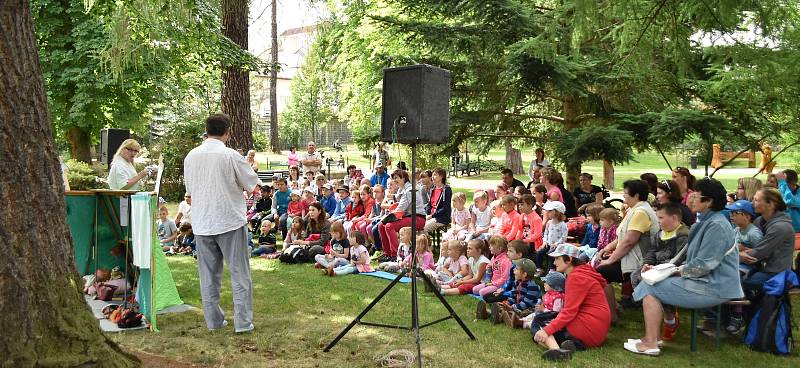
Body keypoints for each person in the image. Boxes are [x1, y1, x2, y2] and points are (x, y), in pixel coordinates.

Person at [626, 178, 744, 356]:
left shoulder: (717, 226)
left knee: (649, 287)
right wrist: (660, 269)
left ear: (709, 201)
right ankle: (653, 338)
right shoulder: (706, 221)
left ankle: (651, 342)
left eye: (696, 196)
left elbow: (703, 265)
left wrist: (672, 272)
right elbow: (683, 258)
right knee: (649, 281)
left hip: (714, 286)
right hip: (704, 281)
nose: (690, 199)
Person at [183, 113, 261, 333]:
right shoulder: (230, 156)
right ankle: (243, 322)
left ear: (206, 130)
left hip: (202, 221)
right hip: (228, 219)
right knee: (239, 273)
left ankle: (214, 321)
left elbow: (189, 189)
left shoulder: (191, 156)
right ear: (227, 132)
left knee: (208, 275)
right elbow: (251, 184)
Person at [533, 244, 611, 361]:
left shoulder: (576, 277)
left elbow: (569, 312)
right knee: (545, 319)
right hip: (596, 329)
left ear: (569, 259)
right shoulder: (584, 271)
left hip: (587, 329)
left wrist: (546, 331)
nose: (554, 263)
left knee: (538, 323)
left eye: (557, 258)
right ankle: (573, 344)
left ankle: (557, 350)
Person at [597, 180, 659, 324]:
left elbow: (629, 241)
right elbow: (622, 237)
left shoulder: (641, 213)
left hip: (640, 263)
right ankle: (613, 308)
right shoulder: (636, 209)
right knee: (599, 270)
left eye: (625, 193)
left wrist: (611, 259)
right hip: (631, 258)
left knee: (601, 272)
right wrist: (607, 249)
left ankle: (612, 315)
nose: (623, 196)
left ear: (636, 195)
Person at [740, 187, 795, 293]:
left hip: (776, 274)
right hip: (760, 268)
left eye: (756, 200)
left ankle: (744, 309)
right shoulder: (759, 221)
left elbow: (757, 254)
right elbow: (753, 247)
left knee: (738, 281)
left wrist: (734, 255)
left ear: (771, 204)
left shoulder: (780, 227)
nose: (752, 203)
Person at [725, 199, 762, 333]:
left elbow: (761, 254)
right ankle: (724, 314)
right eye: (732, 213)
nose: (732, 216)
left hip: (748, 268)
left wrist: (744, 249)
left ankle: (737, 315)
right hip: (735, 264)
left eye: (736, 213)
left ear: (747, 216)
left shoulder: (754, 233)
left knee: (735, 277)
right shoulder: (736, 230)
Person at [377, 169, 427, 261]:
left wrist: (385, 219)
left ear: (403, 178)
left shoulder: (409, 190)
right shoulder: (402, 189)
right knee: (380, 226)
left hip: (418, 218)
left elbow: (400, 210)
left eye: (396, 178)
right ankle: (387, 253)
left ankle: (395, 254)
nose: (394, 180)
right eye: (393, 178)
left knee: (389, 226)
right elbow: (398, 202)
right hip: (408, 217)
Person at [496, 258, 542, 328]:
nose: (514, 270)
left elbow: (526, 304)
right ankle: (490, 313)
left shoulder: (532, 286)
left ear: (524, 274)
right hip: (517, 307)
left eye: (516, 269)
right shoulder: (516, 282)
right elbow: (513, 296)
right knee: (501, 307)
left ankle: (509, 319)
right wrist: (508, 303)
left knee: (524, 313)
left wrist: (512, 307)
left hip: (529, 309)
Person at [535, 201, 567, 275]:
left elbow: (564, 237)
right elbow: (546, 233)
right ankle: (539, 268)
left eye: (550, 211)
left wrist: (556, 244)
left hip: (558, 246)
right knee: (539, 253)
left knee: (551, 255)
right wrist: (545, 242)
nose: (547, 213)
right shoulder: (549, 223)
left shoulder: (563, 225)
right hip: (548, 244)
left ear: (557, 212)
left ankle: (551, 270)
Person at [424, 168, 452, 233]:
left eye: (435, 175)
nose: (432, 177)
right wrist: (426, 214)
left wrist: (432, 216)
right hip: (431, 216)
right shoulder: (433, 189)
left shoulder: (446, 190)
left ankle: (425, 243)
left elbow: (445, 208)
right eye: (432, 175)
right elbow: (429, 204)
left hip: (441, 218)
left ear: (441, 176)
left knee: (424, 228)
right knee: (416, 226)